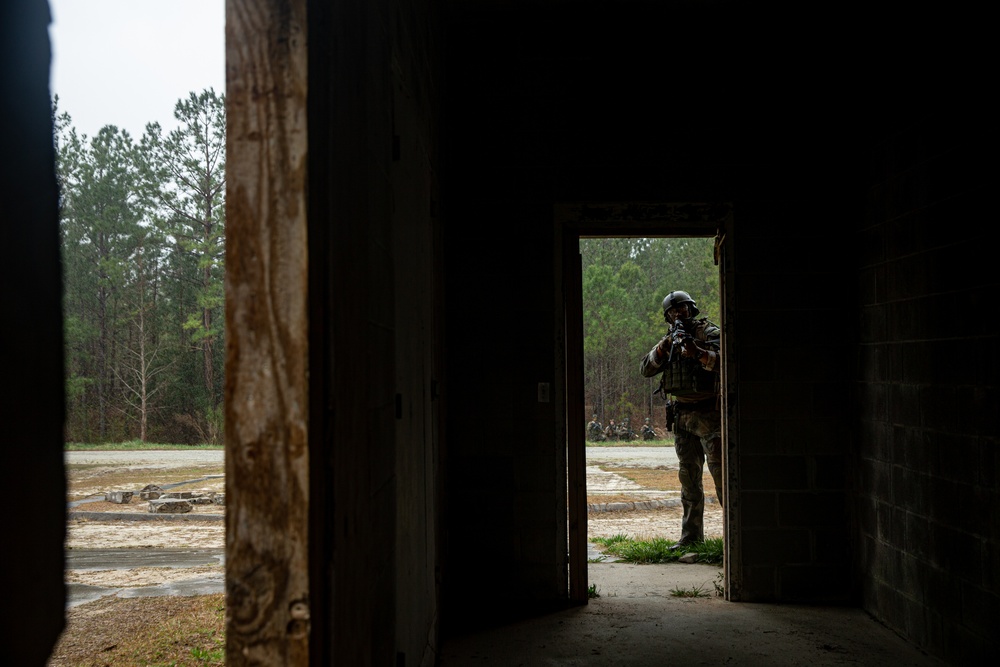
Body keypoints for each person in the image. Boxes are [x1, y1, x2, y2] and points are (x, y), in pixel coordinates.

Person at [640, 290, 723, 549]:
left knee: (722, 477)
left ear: (692, 310)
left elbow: (727, 362)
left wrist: (697, 352)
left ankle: (735, 537)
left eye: (683, 309)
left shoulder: (709, 334)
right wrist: (665, 348)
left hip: (711, 415)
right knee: (688, 480)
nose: (679, 314)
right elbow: (646, 369)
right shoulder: (669, 341)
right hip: (683, 417)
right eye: (673, 312)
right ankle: (690, 539)